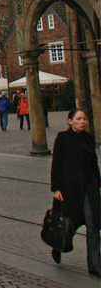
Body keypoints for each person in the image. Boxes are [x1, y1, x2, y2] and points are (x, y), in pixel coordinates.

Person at [50, 109, 100, 277]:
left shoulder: (89, 138)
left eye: (84, 119)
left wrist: (98, 185)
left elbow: (94, 163)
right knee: (69, 224)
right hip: (69, 188)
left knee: (93, 224)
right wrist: (56, 188)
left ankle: (95, 265)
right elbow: (57, 163)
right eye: (78, 119)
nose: (82, 121)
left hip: (89, 187)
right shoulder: (63, 138)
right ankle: (58, 246)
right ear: (70, 121)